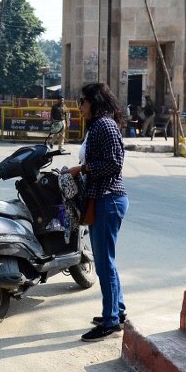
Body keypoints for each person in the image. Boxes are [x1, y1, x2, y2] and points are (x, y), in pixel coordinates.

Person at [66, 82, 129, 342]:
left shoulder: (105, 125)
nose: (79, 106)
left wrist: (82, 170)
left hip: (108, 199)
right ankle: (117, 311)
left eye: (82, 101)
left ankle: (111, 321)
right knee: (107, 262)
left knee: (104, 264)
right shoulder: (97, 125)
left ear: (94, 101)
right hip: (101, 199)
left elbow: (115, 163)